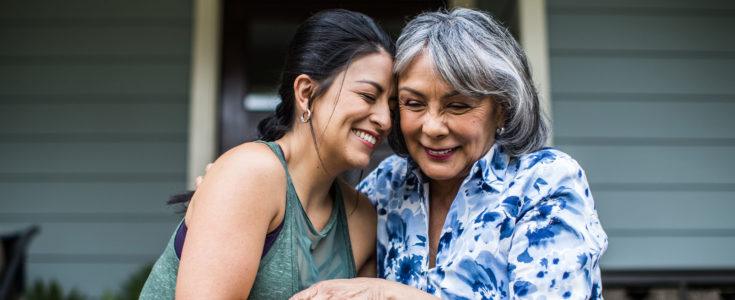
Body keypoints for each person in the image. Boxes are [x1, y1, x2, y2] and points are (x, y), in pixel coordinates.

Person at [292, 8, 608, 299]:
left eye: (458, 105)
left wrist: (389, 294)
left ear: (502, 110)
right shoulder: (385, 185)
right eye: (413, 103)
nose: (432, 127)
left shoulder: (544, 182)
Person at [140, 9, 395, 299]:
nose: (385, 120)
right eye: (367, 96)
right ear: (305, 92)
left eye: (392, 104)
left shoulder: (361, 220)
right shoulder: (251, 174)